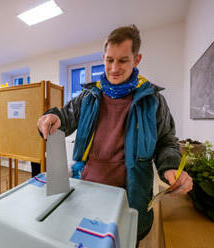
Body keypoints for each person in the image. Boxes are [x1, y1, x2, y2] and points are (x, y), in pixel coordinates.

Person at [37, 25, 193, 242]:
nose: (114, 68)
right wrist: (51, 118)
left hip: (130, 197)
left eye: (122, 60)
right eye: (109, 60)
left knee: (124, 241)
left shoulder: (152, 100)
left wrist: (171, 168)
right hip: (87, 189)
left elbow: (167, 141)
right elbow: (64, 118)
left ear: (136, 59)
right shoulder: (89, 96)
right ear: (103, 58)